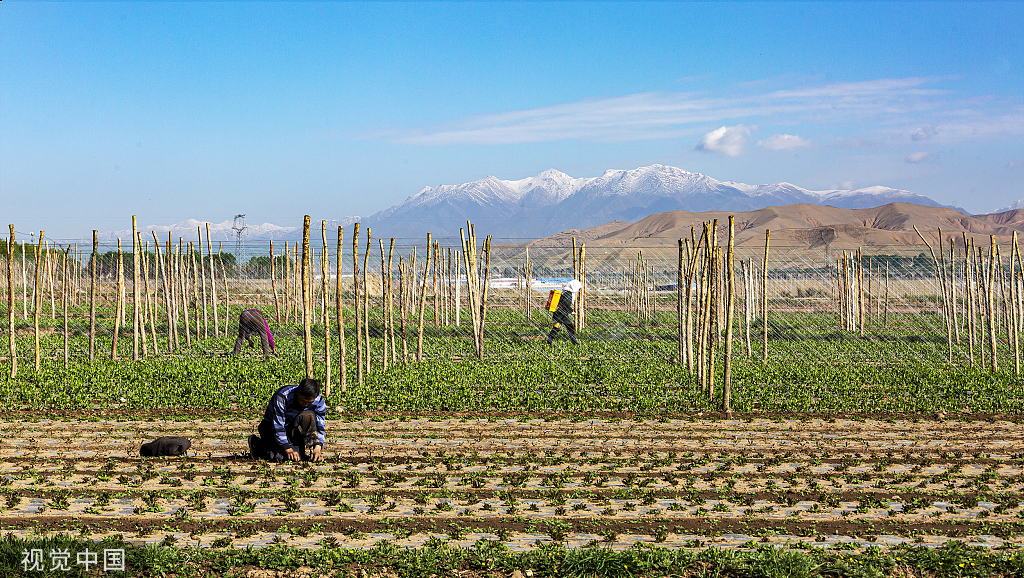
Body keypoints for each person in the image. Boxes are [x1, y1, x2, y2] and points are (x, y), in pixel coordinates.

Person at [248, 378, 326, 462]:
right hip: (271, 427)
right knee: (281, 457)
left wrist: (317, 448)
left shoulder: (319, 400)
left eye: (309, 403)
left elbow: (320, 427)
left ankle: (296, 447)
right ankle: (255, 444)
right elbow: (278, 427)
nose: (306, 405)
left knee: (308, 415)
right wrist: (288, 449)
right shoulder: (281, 397)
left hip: (293, 428)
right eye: (303, 401)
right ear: (297, 393)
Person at [547, 279, 582, 345]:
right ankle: (575, 342)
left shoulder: (565, 291)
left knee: (556, 328)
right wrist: (571, 311)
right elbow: (566, 304)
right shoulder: (568, 293)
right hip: (562, 314)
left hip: (559, 313)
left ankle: (549, 342)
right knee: (570, 328)